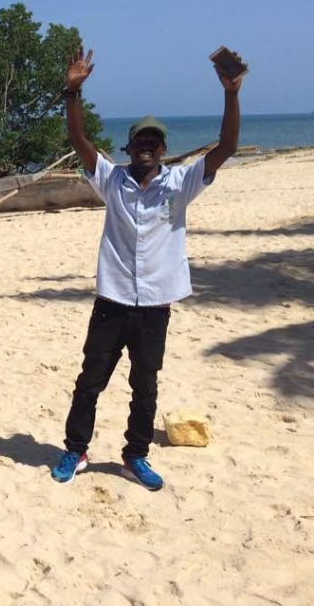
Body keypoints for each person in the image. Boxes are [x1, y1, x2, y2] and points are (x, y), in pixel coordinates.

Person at [50, 47, 242, 490]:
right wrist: (72, 93)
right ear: (129, 147)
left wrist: (231, 95)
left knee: (145, 387)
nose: (147, 148)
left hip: (155, 305)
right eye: (140, 142)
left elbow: (228, 147)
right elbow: (80, 142)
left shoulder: (181, 183)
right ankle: (75, 451)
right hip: (112, 301)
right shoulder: (111, 180)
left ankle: (135, 456)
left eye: (154, 143)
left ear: (163, 149)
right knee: (90, 381)